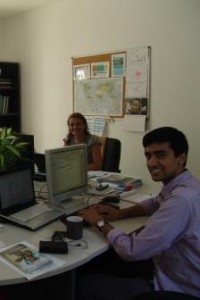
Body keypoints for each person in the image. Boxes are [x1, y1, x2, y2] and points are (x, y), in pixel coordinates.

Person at [78, 127, 200, 299]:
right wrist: (117, 214)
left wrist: (99, 223)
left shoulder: (181, 201)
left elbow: (132, 250)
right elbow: (155, 202)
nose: (151, 163)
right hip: (165, 266)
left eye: (161, 155)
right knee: (98, 261)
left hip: (171, 287)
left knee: (84, 282)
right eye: (148, 155)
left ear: (181, 158)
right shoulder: (186, 184)